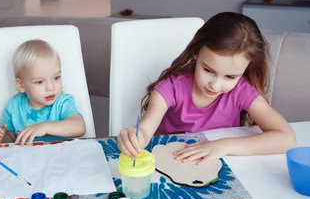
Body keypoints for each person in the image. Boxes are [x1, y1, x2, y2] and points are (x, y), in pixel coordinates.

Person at [117, 12, 296, 164]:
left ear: (246, 69)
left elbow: (287, 139)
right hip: (172, 165)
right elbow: (146, 130)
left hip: (220, 168)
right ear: (196, 52)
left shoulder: (242, 91)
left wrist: (224, 146)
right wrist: (136, 138)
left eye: (230, 77)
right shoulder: (170, 89)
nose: (215, 85)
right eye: (208, 70)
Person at [0, 39, 86, 145]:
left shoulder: (62, 102)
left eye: (56, 77)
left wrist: (45, 127)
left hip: (61, 158)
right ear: (21, 85)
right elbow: (11, 139)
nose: (50, 87)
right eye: (39, 82)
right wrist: (0, 137)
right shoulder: (15, 105)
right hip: (28, 159)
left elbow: (79, 127)